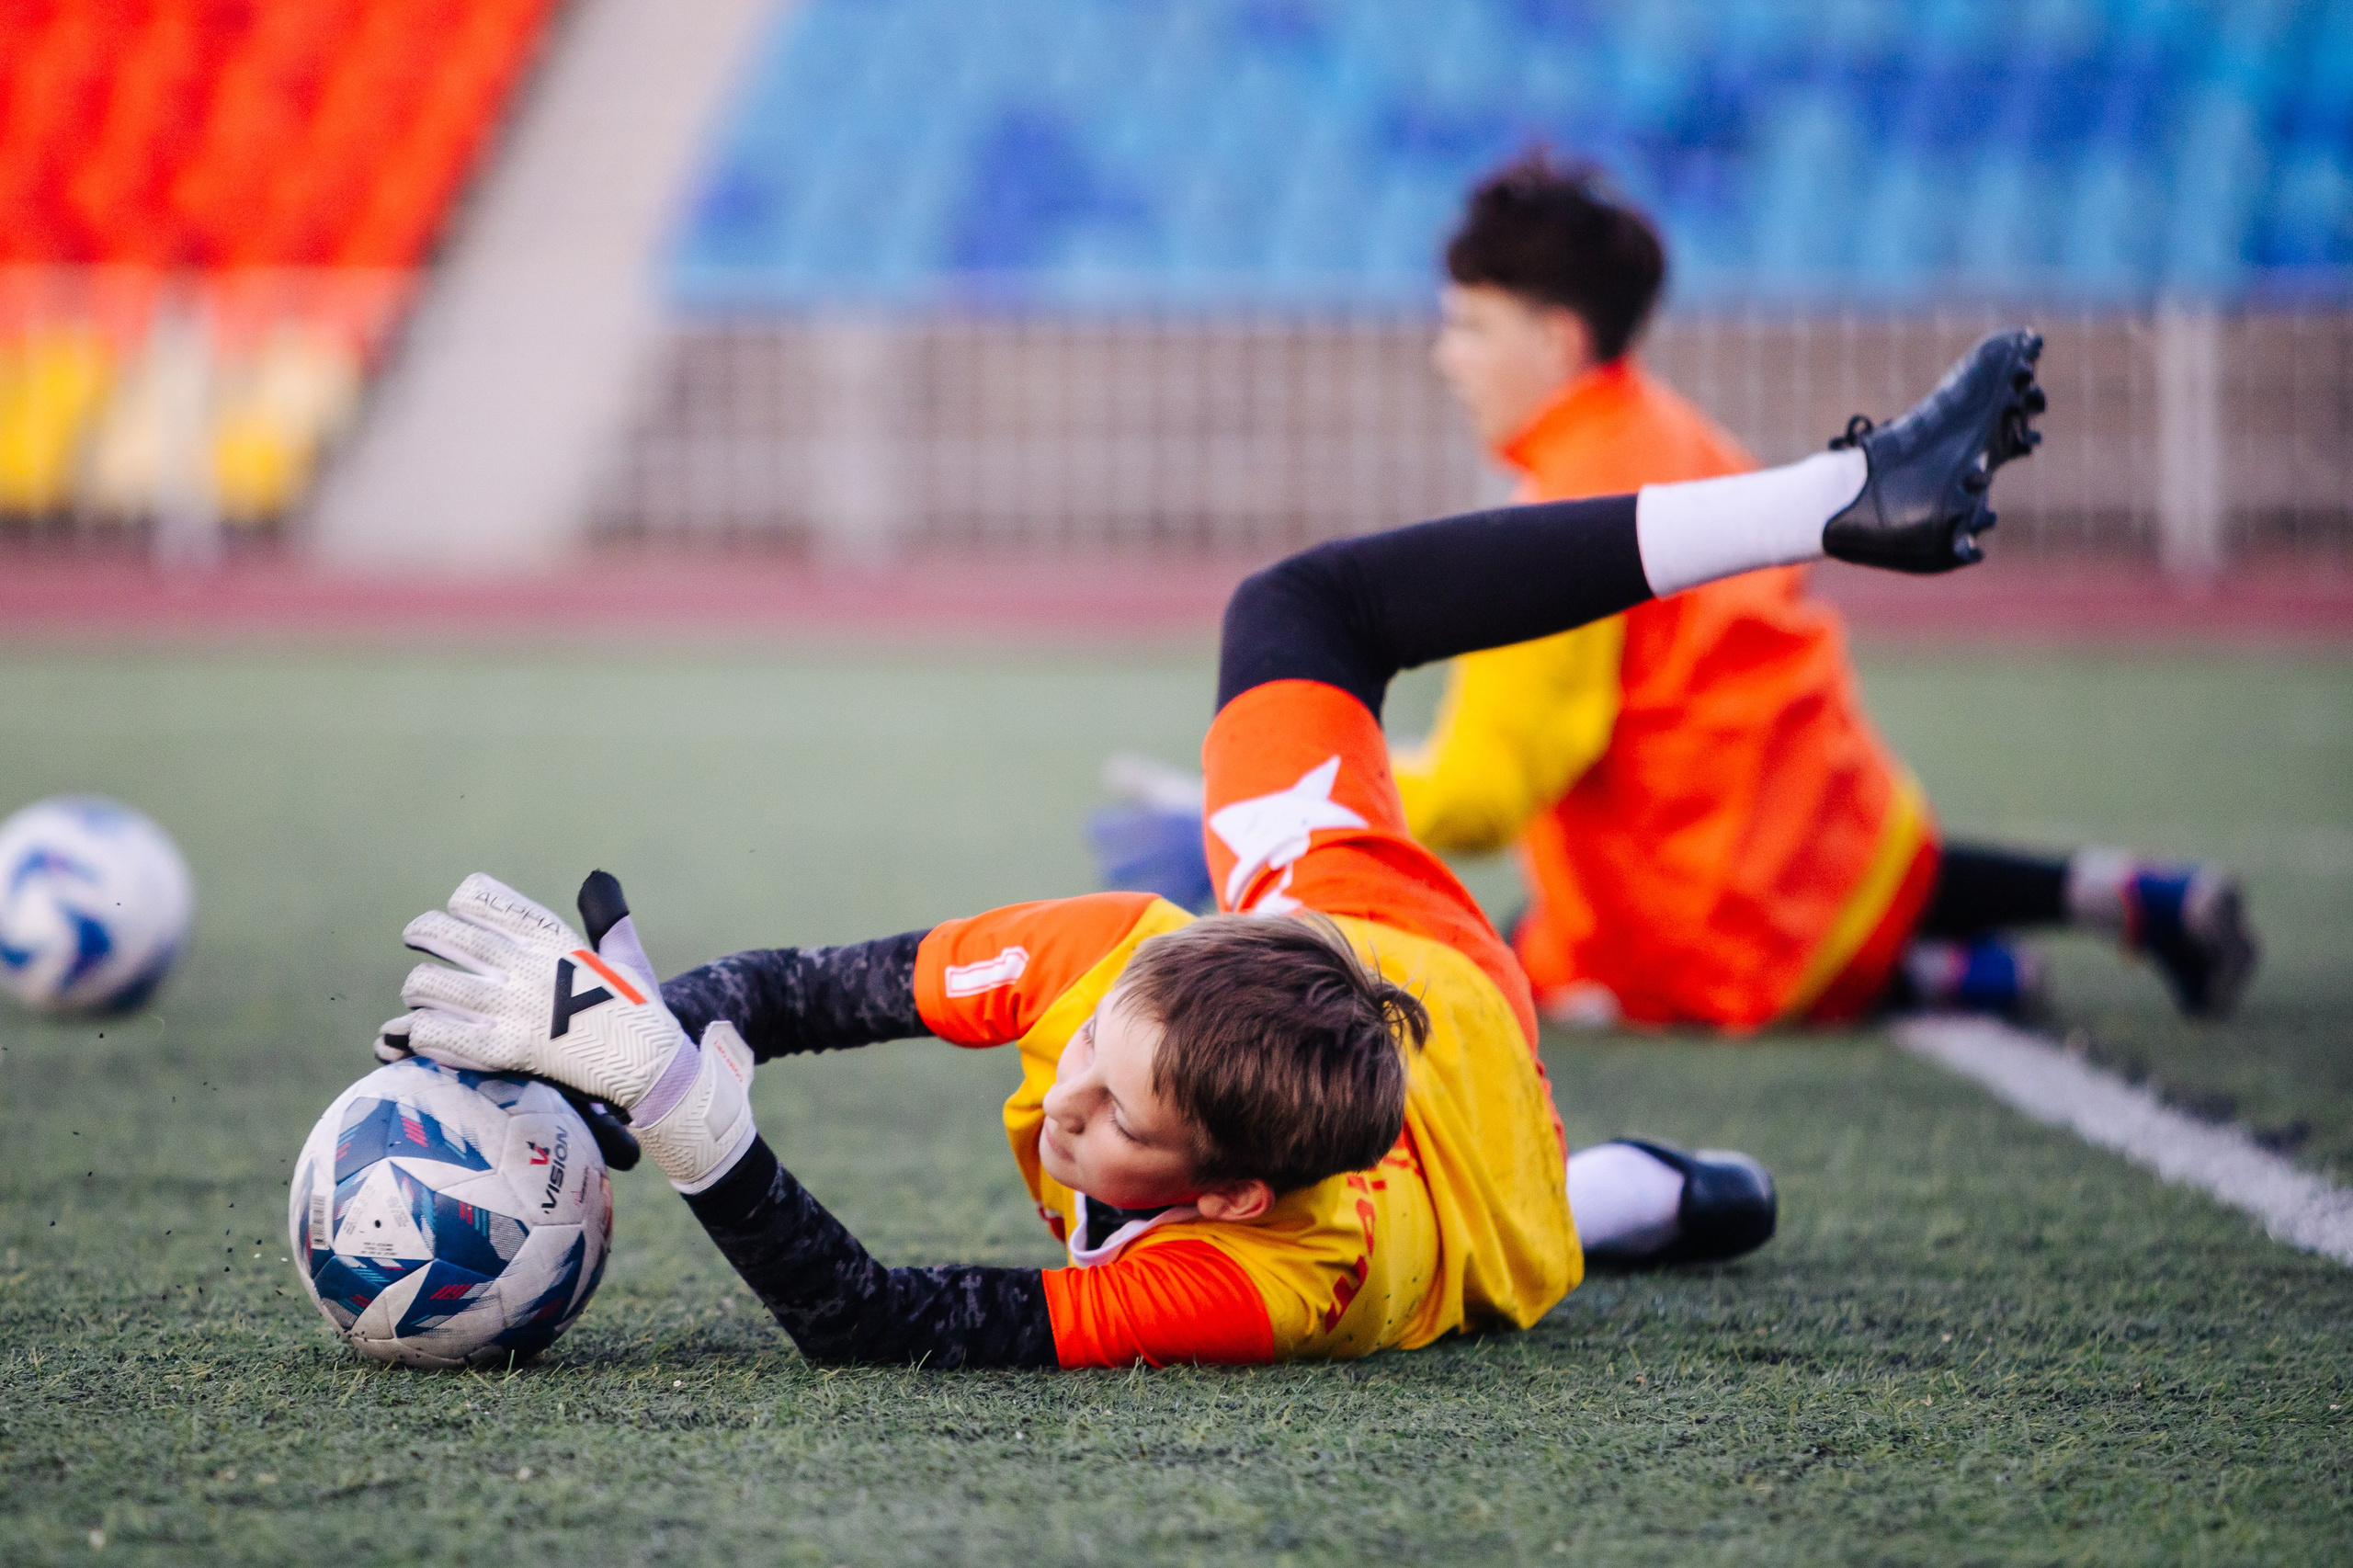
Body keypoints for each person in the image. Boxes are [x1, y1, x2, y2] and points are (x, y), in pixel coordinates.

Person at [379, 328, 2043, 1368]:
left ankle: (1637, 1191)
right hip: (1368, 929)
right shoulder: (1119, 964)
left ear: (1229, 1196)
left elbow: (876, 1322)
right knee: (1297, 612)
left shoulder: (1268, 1274)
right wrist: (650, 1025)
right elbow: (810, 992)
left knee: (1528, 1241)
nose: (1069, 1088)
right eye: (1099, 1045)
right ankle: (1831, 500)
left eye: (1112, 1115)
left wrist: (677, 1104)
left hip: (1467, 1164)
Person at [1094, 153, 2256, 1029]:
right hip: (1823, 811)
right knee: (1870, 882)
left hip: (1700, 900)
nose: (1446, 355)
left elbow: (1495, 790)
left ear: (1552, 336)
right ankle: (2125, 896)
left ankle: (1942, 975)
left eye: (1467, 326)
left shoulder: (1568, 498)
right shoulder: (1666, 427)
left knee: (1485, 966)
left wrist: (1261, 821)